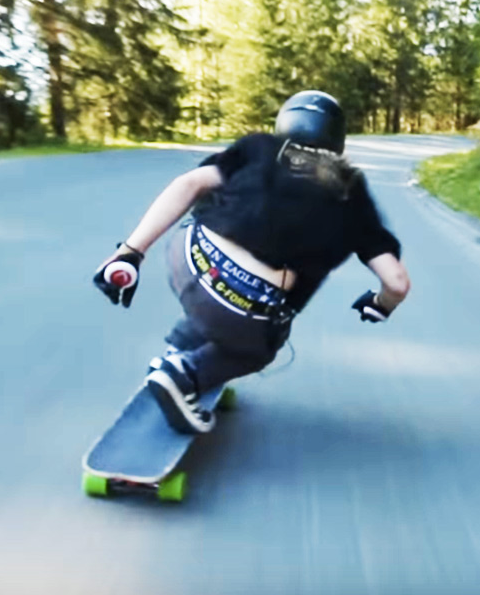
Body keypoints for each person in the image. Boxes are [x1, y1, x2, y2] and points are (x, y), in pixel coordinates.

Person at [91, 90, 411, 434]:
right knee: (261, 345)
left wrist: (130, 252)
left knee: (214, 294)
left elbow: (189, 184)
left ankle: (181, 348)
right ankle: (185, 375)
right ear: (339, 139)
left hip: (186, 260)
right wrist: (380, 305)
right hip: (245, 304)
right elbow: (396, 282)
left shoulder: (259, 147)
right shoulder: (351, 190)